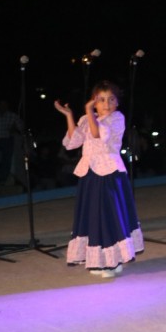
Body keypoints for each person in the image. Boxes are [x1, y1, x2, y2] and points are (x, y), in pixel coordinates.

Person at [54, 80, 144, 278]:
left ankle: (112, 262)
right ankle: (102, 260)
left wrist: (88, 112)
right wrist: (70, 115)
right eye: (101, 99)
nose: (106, 103)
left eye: (111, 99)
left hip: (109, 173)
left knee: (109, 215)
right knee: (93, 215)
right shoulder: (88, 119)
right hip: (90, 173)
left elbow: (97, 136)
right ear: (95, 102)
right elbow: (73, 141)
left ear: (117, 103)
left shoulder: (116, 118)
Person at [0, 99, 22, 185]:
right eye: (1, 105)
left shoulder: (12, 116)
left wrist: (15, 129)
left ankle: (3, 177)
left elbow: (21, 126)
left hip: (7, 139)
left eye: (4, 105)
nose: (2, 107)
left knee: (6, 159)